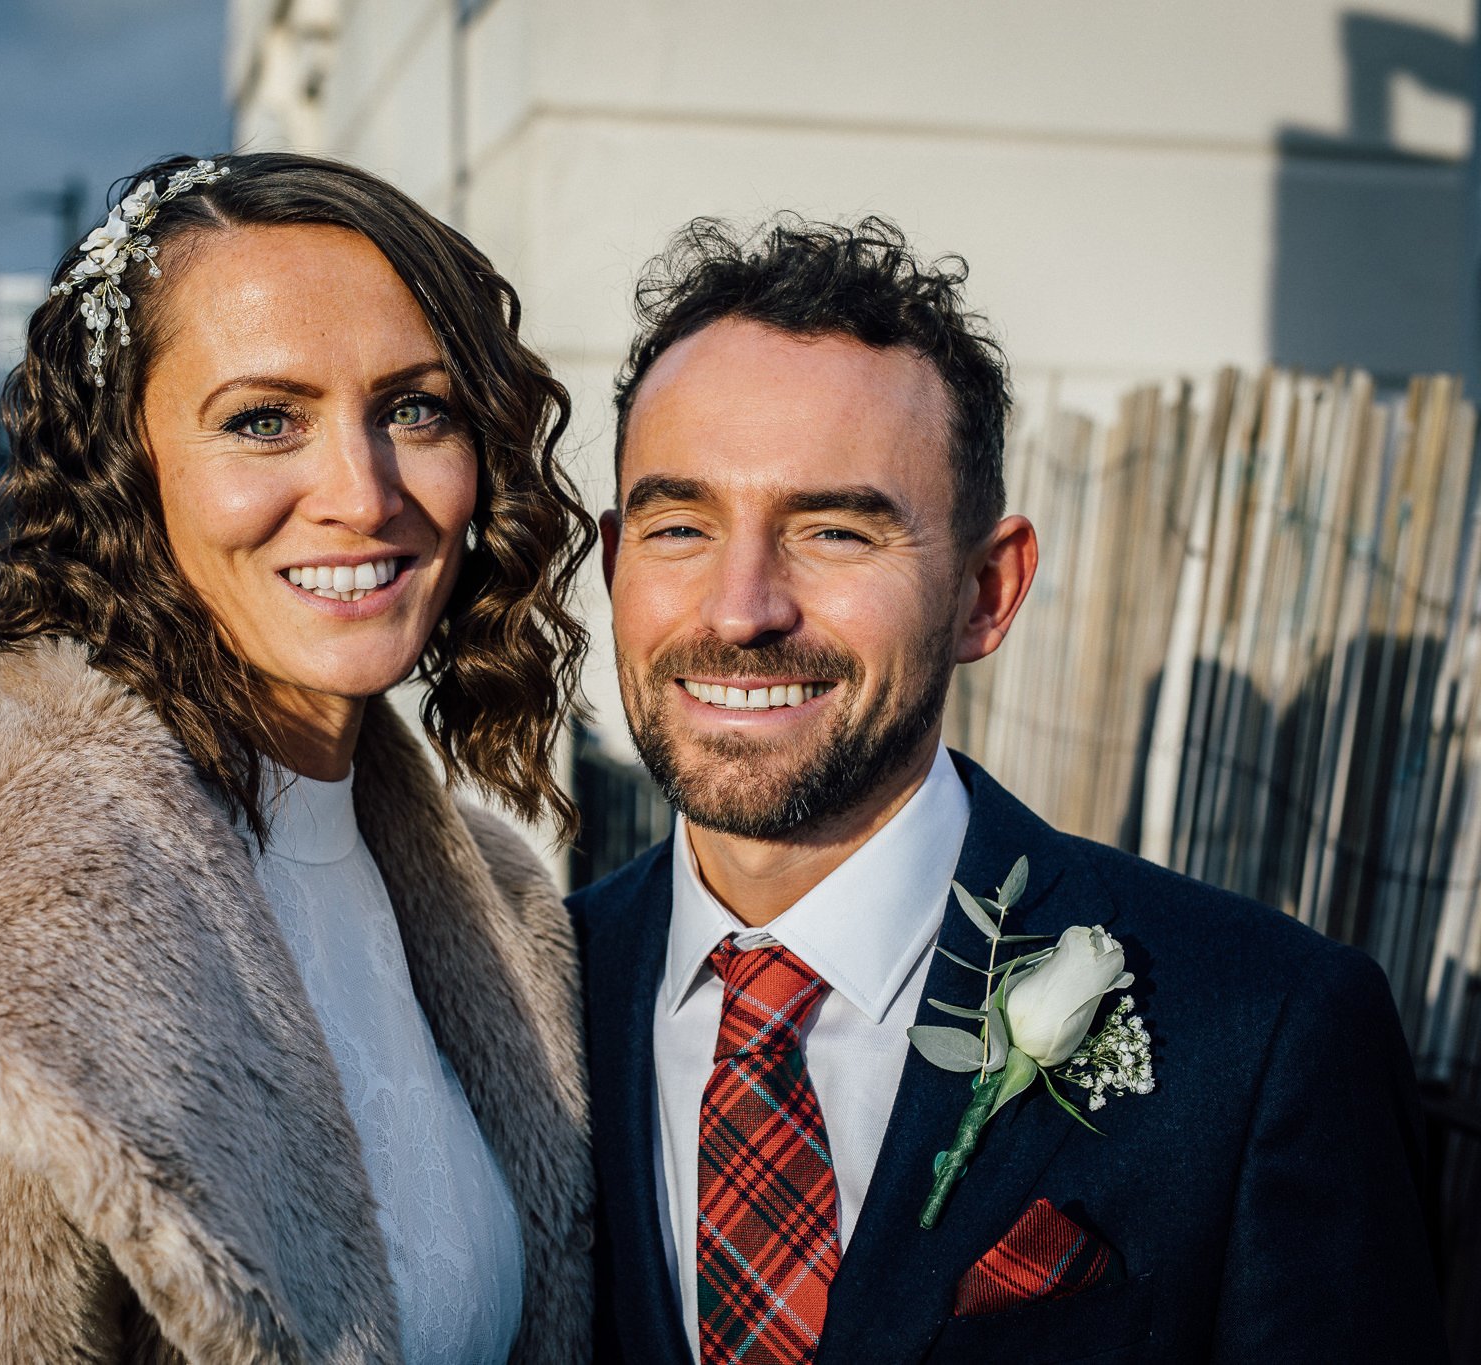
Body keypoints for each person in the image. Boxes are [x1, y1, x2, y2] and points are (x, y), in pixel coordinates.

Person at [0, 152, 597, 1364]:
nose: (361, 494)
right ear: (125, 471)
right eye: (263, 420)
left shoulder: (491, 899)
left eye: (416, 409)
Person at [568, 215, 1447, 1364]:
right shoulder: (527, 1003)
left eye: (833, 532)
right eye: (678, 526)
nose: (740, 609)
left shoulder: (1261, 1034)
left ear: (986, 590)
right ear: (611, 564)